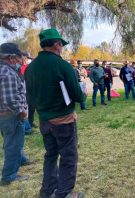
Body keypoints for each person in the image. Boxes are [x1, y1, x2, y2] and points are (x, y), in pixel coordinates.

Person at [24, 28, 85, 198]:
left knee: (50, 155)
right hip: (63, 120)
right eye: (61, 45)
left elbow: (30, 97)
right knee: (68, 157)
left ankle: (48, 190)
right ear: (57, 45)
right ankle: (64, 193)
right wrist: (83, 93)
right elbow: (77, 95)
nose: (62, 48)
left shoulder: (30, 68)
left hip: (44, 120)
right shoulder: (62, 65)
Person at [0, 43, 31, 186]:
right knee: (13, 145)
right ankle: (9, 176)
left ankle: (18, 163)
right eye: (18, 58)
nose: (20, 61)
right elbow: (10, 99)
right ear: (11, 58)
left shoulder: (4, 70)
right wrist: (22, 112)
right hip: (11, 116)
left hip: (5, 115)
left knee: (11, 143)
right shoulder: (7, 73)